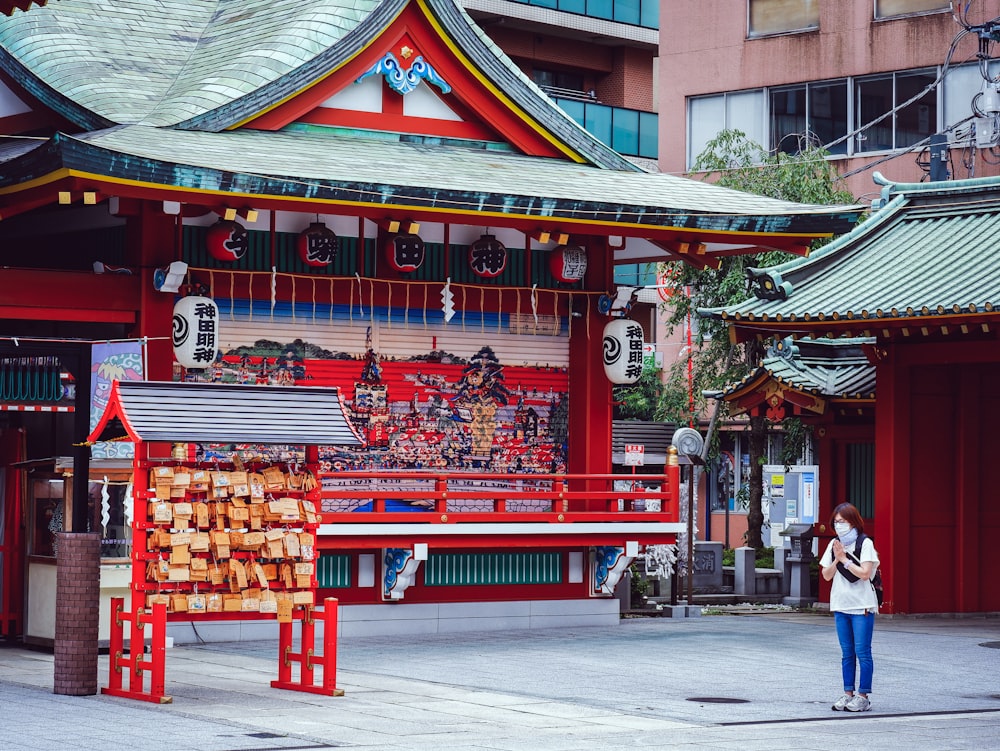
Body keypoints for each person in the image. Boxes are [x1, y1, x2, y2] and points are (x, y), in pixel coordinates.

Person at [820, 502, 880, 713]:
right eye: (836, 522)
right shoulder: (834, 544)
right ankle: (848, 694)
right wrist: (837, 559)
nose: (839, 526)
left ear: (853, 522)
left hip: (862, 606)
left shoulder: (865, 544)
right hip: (841, 604)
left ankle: (863, 696)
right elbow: (826, 575)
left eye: (842, 522)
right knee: (847, 653)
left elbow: (864, 573)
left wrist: (845, 560)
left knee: (862, 652)